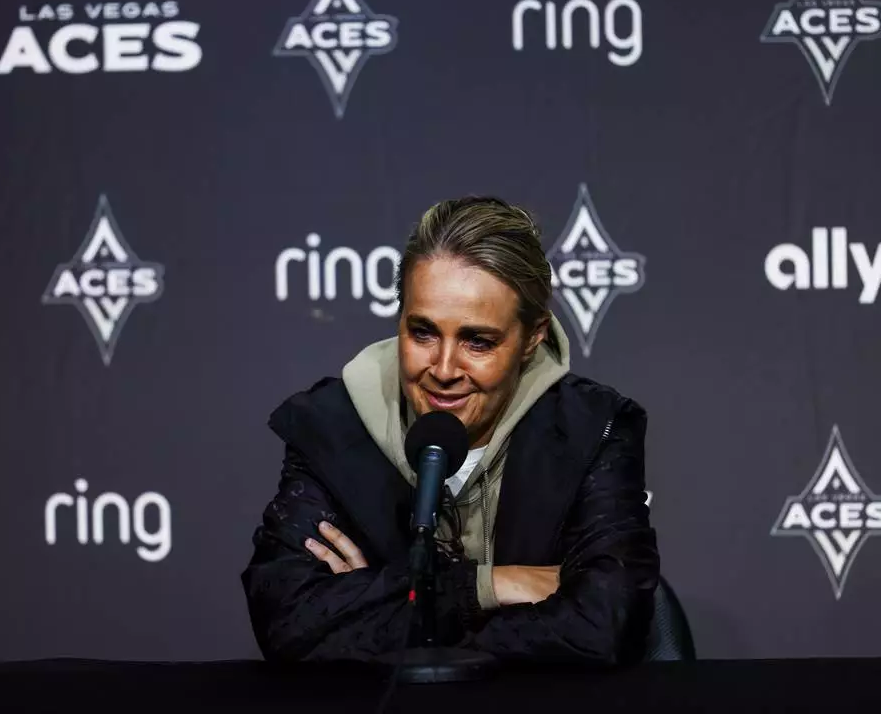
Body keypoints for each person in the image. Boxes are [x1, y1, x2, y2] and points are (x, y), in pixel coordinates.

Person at [240, 196, 659, 664]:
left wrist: (372, 603)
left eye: (477, 341)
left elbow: (606, 623)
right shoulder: (332, 426)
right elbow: (288, 621)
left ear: (532, 338)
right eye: (422, 332)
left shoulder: (592, 428)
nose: (443, 369)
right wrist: (488, 587)